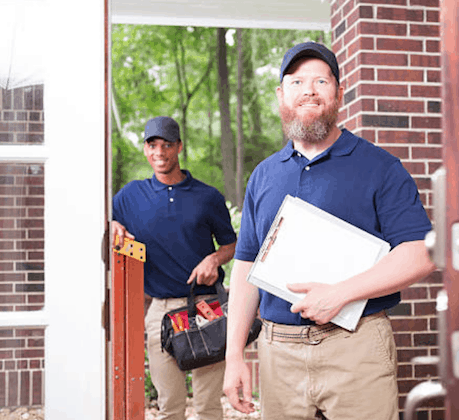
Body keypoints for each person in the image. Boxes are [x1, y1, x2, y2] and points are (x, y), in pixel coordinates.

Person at [223, 42, 437, 420]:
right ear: (281, 94)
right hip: (278, 354)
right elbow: (246, 266)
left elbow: (419, 253)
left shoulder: (380, 168)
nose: (308, 89)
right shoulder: (263, 176)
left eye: (321, 80)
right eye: (297, 81)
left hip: (357, 347)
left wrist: (340, 294)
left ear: (338, 93)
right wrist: (234, 355)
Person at [112, 116, 237, 420]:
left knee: (208, 406)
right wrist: (113, 223)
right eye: (152, 144)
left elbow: (231, 245)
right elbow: (102, 220)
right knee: (170, 407)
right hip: (162, 312)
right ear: (145, 149)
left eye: (167, 145)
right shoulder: (130, 197)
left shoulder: (207, 197)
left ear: (179, 147)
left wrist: (213, 259)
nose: (159, 152)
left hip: (207, 307)